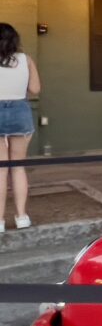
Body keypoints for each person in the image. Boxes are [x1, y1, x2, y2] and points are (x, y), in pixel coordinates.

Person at [0, 23, 41, 231]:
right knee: (17, 167)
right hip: (19, 112)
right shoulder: (26, 60)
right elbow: (35, 89)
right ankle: (21, 217)